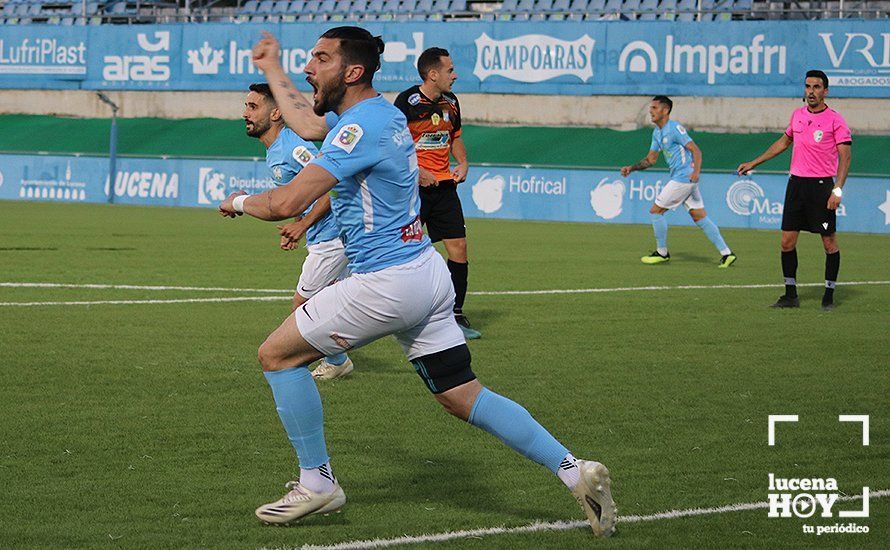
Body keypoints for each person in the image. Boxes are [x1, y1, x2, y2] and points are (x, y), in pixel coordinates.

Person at [218, 27, 616, 537]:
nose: (309, 68)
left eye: (320, 59)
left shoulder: (357, 130)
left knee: (277, 355)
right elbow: (304, 119)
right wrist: (271, 68)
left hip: (385, 282)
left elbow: (285, 203)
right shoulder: (378, 113)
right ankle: (573, 471)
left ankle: (317, 484)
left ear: (352, 72)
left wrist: (235, 200)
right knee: (462, 394)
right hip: (425, 274)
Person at [243, 82, 354, 381]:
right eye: (246, 106)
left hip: (331, 237)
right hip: (326, 236)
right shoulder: (277, 150)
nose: (246, 113)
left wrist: (303, 224)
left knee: (302, 304)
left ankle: (331, 359)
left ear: (277, 112)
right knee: (331, 301)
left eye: (254, 107)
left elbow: (330, 183)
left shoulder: (296, 148)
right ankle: (337, 355)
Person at [737, 70, 851, 311]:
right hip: (796, 185)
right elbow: (783, 142)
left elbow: (845, 158)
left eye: (817, 87)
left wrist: (837, 190)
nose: (811, 91)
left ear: (825, 91)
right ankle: (790, 295)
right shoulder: (797, 115)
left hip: (821, 187)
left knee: (829, 243)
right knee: (787, 242)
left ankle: (829, 295)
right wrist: (753, 162)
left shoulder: (835, 120)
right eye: (808, 86)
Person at [394, 48, 480, 340]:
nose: (454, 75)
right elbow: (395, 146)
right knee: (406, 252)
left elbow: (454, 137)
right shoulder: (406, 102)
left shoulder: (452, 102)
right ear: (433, 74)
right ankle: (401, 312)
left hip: (445, 188)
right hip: (414, 190)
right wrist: (416, 171)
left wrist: (464, 162)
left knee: (459, 249)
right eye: (450, 70)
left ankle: (455, 313)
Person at [621, 96, 736, 268]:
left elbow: (696, 150)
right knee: (699, 216)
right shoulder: (657, 133)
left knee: (655, 211)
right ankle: (727, 253)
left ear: (665, 110)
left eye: (654, 108)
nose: (650, 111)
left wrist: (696, 172)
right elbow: (651, 160)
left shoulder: (674, 129)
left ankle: (662, 252)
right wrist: (632, 168)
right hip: (686, 180)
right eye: (650, 108)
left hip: (684, 178)